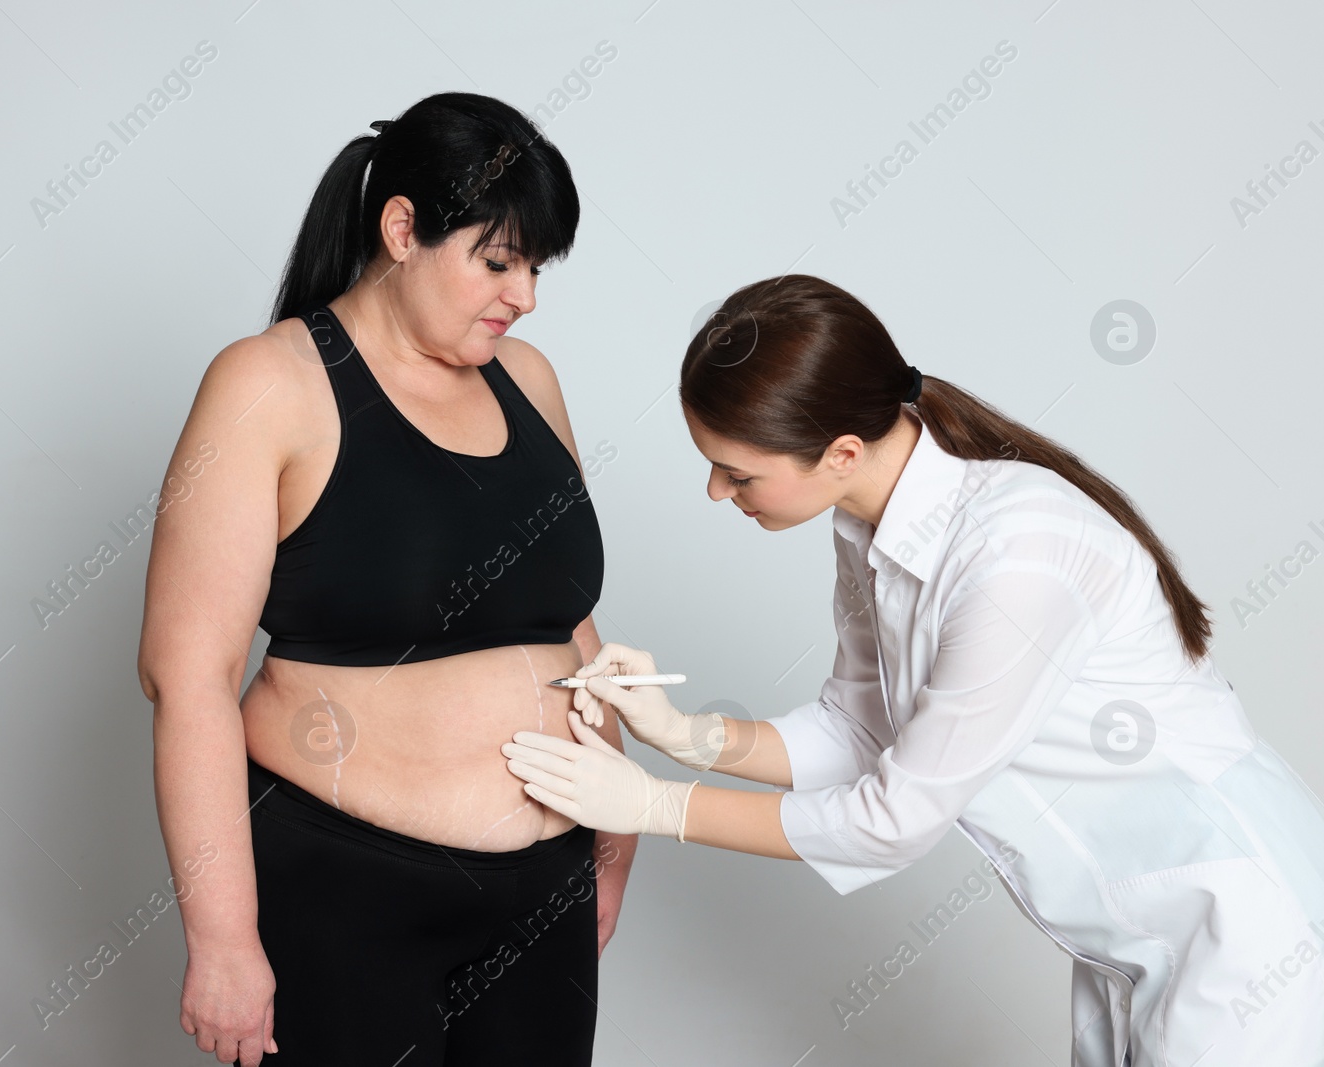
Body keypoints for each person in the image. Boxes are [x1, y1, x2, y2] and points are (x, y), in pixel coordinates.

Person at [502, 275, 1324, 1067]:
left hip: (1238, 928)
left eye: (737, 471)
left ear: (841, 451)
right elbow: (859, 730)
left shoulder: (1017, 554)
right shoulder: (868, 527)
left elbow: (893, 820)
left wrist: (652, 805)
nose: (716, 491)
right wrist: (692, 735)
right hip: (1130, 937)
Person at [137, 92, 634, 1066]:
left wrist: (616, 839)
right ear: (403, 228)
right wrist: (224, 937)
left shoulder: (528, 380)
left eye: (536, 267)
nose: (524, 294)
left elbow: (571, 627)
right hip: (344, 890)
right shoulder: (268, 386)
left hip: (547, 893)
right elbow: (186, 678)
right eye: (497, 261)